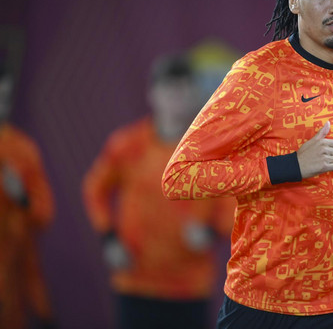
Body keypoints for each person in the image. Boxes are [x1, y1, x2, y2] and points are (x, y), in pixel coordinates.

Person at [162, 0, 333, 329]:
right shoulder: (258, 76)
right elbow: (180, 176)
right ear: (294, 0)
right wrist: (289, 165)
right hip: (265, 305)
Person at [83, 55, 234, 329]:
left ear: (195, 94)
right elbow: (95, 188)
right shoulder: (127, 144)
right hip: (135, 280)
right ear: (152, 94)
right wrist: (108, 237)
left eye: (183, 88)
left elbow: (231, 203)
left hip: (189, 285)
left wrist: (211, 232)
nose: (176, 97)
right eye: (169, 88)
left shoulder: (212, 149)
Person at [0, 65, 56, 329]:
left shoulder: (23, 149)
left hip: (12, 280)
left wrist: (21, 197)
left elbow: (44, 212)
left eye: (4, 98)